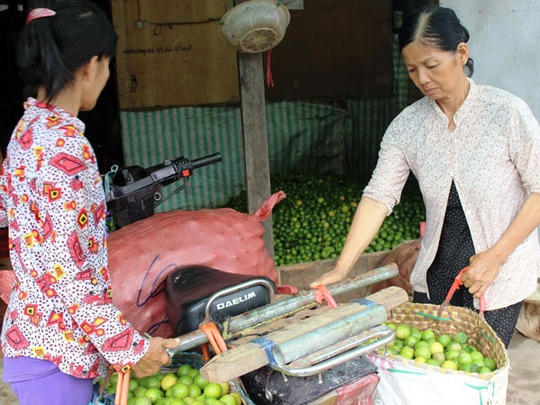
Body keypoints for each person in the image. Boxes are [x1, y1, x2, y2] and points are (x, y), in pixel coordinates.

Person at [310, 5, 540, 348]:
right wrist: (343, 268)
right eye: (412, 69)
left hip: (499, 275)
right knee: (433, 369)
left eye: (432, 65)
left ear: (461, 53)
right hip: (437, 272)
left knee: (478, 377)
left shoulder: (506, 113)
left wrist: (495, 258)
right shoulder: (407, 127)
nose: (423, 79)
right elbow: (379, 195)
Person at [0, 1, 180, 404]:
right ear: (90, 66)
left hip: (35, 343)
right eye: (108, 64)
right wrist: (130, 348)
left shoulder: (27, 130)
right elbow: (68, 272)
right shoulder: (64, 147)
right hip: (55, 357)